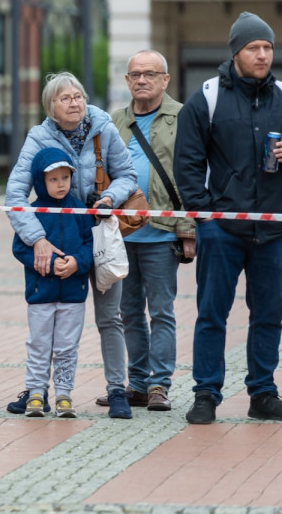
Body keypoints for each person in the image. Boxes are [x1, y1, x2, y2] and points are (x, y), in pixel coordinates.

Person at [5, 72, 138, 419]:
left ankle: (116, 390)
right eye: (65, 98)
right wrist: (38, 241)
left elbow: (127, 175)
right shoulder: (38, 137)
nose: (74, 102)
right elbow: (15, 195)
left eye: (78, 95)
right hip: (58, 240)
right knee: (47, 328)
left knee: (110, 318)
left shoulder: (103, 128)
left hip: (99, 236)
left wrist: (110, 195)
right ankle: (38, 392)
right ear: (51, 107)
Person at [174, 11, 282, 425]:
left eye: (268, 47)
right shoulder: (207, 98)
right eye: (254, 47)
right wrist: (207, 220)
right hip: (222, 229)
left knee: (269, 314)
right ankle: (206, 394)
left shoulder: (281, 97)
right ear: (236, 51)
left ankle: (263, 393)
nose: (262, 54)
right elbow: (187, 163)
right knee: (211, 314)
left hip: (272, 230)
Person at [110, 50, 195, 413]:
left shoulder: (184, 118)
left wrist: (188, 230)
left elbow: (192, 176)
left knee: (161, 311)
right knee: (128, 312)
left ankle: (160, 383)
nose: (142, 80)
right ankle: (138, 384)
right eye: (135, 74)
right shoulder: (114, 121)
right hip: (122, 234)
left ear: (165, 79)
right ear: (127, 81)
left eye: (150, 73)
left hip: (163, 232)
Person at [10, 148, 93, 418]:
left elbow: (91, 245)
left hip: (73, 294)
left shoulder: (80, 209)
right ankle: (35, 392)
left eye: (65, 178)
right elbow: (19, 248)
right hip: (40, 294)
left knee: (67, 347)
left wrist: (77, 263)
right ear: (40, 181)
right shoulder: (32, 211)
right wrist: (43, 263)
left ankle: (65, 395)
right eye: (53, 179)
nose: (60, 184)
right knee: (39, 344)